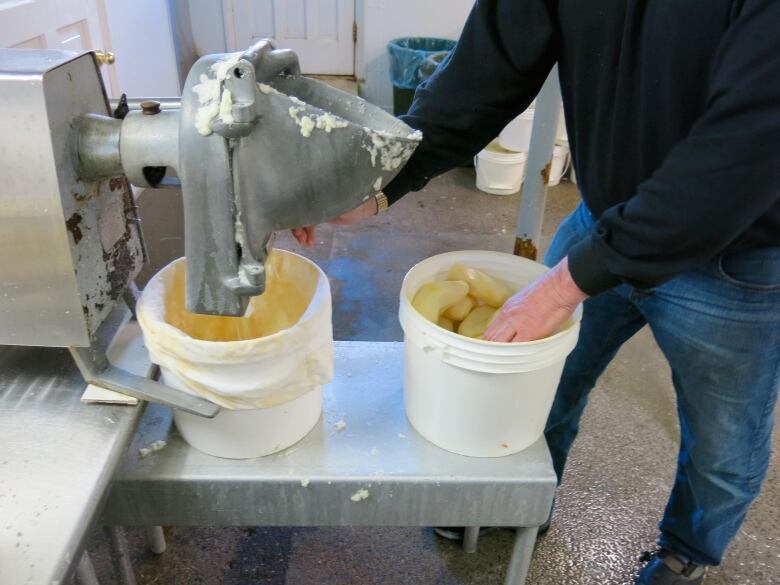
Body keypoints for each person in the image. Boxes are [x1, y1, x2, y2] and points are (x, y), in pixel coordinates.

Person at [294, 0, 780, 582]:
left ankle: (687, 552)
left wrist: (560, 289)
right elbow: (482, 75)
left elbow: (747, 150)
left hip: (736, 259)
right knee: (541, 388)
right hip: (604, 221)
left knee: (722, 446)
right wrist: (380, 185)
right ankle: (520, 502)